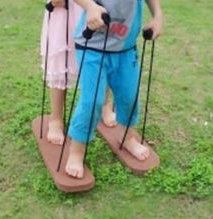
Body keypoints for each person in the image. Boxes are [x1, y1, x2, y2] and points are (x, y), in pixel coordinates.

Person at [65, 0, 164, 178]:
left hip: (125, 49)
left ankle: (126, 137)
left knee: (129, 97)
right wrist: (89, 6)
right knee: (92, 101)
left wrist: (158, 16)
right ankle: (76, 151)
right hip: (91, 47)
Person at [40, 0, 117, 146]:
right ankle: (56, 118)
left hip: (97, 8)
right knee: (61, 61)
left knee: (102, 55)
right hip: (65, 10)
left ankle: (106, 105)